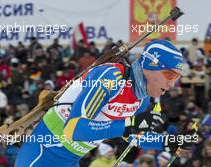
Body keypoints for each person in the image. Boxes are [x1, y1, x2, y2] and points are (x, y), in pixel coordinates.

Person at [15, 40, 195, 167]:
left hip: (71, 160)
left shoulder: (141, 98)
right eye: (169, 74)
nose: (172, 83)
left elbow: (133, 135)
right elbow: (73, 130)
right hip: (42, 156)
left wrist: (169, 141)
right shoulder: (111, 77)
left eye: (177, 77)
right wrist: (126, 125)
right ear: (151, 65)